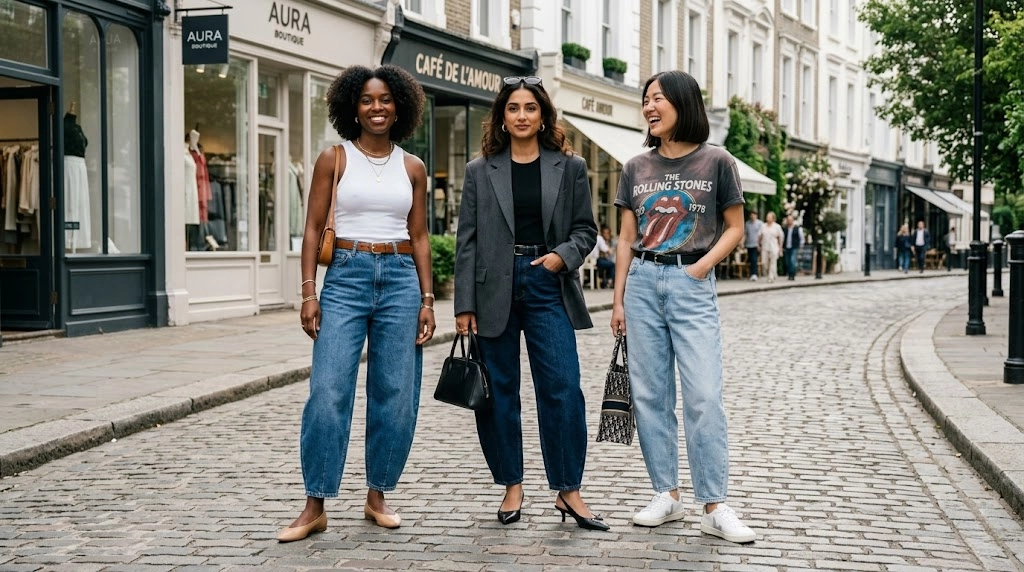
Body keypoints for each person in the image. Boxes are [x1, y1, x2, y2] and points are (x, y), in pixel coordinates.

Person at [279, 65, 434, 542]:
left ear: (399, 106)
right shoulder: (334, 158)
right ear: (353, 106)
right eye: (367, 100)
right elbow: (311, 230)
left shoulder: (413, 167)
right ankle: (315, 503)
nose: (377, 107)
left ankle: (378, 494)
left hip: (402, 280)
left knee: (396, 394)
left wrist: (428, 299)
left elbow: (421, 235)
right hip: (345, 276)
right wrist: (308, 292)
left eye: (385, 99)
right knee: (327, 392)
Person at [609, 70, 756, 543]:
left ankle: (715, 505)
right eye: (646, 100)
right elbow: (627, 239)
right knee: (651, 396)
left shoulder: (717, 162)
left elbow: (734, 226)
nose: (650, 108)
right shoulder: (635, 167)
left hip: (692, 284)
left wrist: (700, 268)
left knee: (704, 396)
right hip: (642, 283)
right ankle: (666, 496)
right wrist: (618, 301)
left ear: (683, 104)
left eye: (658, 100)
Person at [453, 75, 606, 531]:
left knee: (562, 388)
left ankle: (568, 490)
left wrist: (561, 258)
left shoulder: (570, 166)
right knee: (499, 393)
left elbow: (586, 231)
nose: (522, 115)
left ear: (543, 116)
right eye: (513, 108)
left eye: (530, 108)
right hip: (492, 288)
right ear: (502, 116)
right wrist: (464, 305)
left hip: (546, 284)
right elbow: (467, 242)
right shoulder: (480, 170)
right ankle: (512, 484)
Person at [757, 211, 783, 283]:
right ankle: (772, 273)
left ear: (773, 218)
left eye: (769, 217)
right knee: (765, 263)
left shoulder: (777, 226)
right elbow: (759, 236)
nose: (768, 218)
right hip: (765, 247)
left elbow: (781, 237)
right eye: (767, 217)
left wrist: (780, 248)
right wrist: (759, 244)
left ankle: (771, 277)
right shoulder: (763, 226)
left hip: (774, 247)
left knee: (773, 262)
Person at [782, 215, 803, 280]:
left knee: (792, 260)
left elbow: (801, 238)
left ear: (793, 221)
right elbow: (783, 238)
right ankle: (789, 273)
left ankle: (792, 274)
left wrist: (801, 246)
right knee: (787, 261)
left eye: (790, 220)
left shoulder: (797, 229)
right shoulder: (785, 229)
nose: (789, 221)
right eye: (788, 220)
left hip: (794, 247)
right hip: (787, 247)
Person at [743, 211, 762, 281]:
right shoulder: (747, 224)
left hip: (756, 244)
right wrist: (742, 242)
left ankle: (754, 274)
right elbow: (745, 233)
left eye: (753, 215)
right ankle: (751, 273)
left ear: (756, 216)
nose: (752, 216)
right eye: (751, 215)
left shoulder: (760, 224)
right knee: (751, 259)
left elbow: (761, 234)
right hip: (749, 244)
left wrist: (760, 244)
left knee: (754, 259)